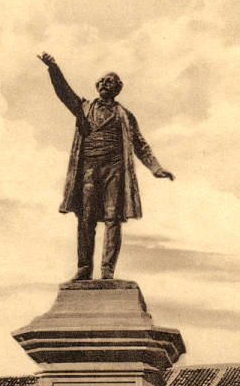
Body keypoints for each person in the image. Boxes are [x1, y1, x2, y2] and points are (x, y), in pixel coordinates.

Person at [38, 53, 174, 281]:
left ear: (118, 88)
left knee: (113, 218)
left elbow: (140, 144)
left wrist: (156, 168)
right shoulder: (84, 108)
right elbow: (64, 93)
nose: (104, 84)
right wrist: (53, 68)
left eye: (109, 81)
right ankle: (84, 267)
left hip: (115, 170)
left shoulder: (125, 115)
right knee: (86, 218)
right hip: (89, 169)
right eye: (101, 81)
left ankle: (107, 269)